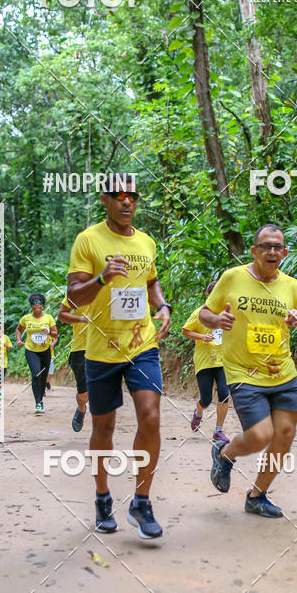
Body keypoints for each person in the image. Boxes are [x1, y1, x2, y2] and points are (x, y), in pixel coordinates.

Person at [67, 178, 171, 539]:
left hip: (141, 344)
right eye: (119, 196)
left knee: (151, 415)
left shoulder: (146, 241)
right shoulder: (89, 240)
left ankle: (141, 502)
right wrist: (102, 277)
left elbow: (151, 281)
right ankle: (102, 497)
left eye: (133, 196)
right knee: (104, 428)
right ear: (105, 199)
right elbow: (75, 296)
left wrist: (163, 305)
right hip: (101, 350)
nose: (127, 202)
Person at [200, 224, 297, 518]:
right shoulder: (232, 277)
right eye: (266, 246)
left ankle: (257, 496)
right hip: (244, 372)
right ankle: (226, 453)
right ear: (254, 251)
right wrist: (218, 320)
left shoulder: (293, 287)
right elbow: (205, 313)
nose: (272, 252)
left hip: (283, 373)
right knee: (259, 436)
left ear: (285, 252)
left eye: (277, 247)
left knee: (284, 434)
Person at [182, 281, 229, 442]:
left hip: (223, 361)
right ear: (207, 295)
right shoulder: (199, 314)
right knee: (206, 399)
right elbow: (185, 330)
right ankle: (199, 412)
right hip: (204, 362)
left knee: (224, 394)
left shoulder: (226, 314)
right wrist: (202, 337)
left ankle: (218, 430)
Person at [15, 293, 57, 415]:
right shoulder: (26, 318)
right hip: (31, 350)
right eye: (34, 303)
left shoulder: (48, 318)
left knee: (43, 377)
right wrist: (18, 340)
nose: (37, 304)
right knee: (36, 374)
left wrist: (48, 331)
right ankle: (38, 402)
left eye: (39, 302)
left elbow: (55, 334)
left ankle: (41, 400)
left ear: (42, 305)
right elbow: (19, 329)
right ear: (31, 305)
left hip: (45, 351)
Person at [57, 297, 90, 432]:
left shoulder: (112, 288)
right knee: (84, 394)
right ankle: (81, 408)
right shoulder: (78, 291)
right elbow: (61, 314)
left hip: (105, 347)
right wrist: (81, 318)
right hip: (80, 348)